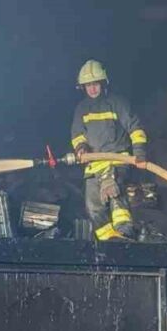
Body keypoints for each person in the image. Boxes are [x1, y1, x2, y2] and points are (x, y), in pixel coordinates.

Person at [70, 59, 147, 241]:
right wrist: (81, 148)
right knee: (93, 206)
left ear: (103, 83)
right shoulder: (82, 109)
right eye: (88, 85)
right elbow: (77, 135)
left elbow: (135, 128)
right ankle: (109, 240)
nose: (92, 89)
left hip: (117, 161)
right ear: (83, 87)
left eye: (95, 84)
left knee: (113, 193)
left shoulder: (117, 103)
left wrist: (139, 153)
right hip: (93, 165)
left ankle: (125, 233)